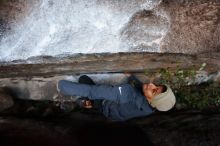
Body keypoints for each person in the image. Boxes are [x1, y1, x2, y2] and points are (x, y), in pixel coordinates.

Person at [57, 74, 176, 121]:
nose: (152, 85)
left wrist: (62, 86)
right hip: (116, 115)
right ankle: (89, 104)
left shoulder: (128, 93)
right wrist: (132, 78)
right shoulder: (151, 108)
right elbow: (143, 92)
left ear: (151, 100)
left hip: (107, 105)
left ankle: (88, 103)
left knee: (83, 79)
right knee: (99, 99)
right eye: (157, 86)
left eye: (154, 90)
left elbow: (95, 91)